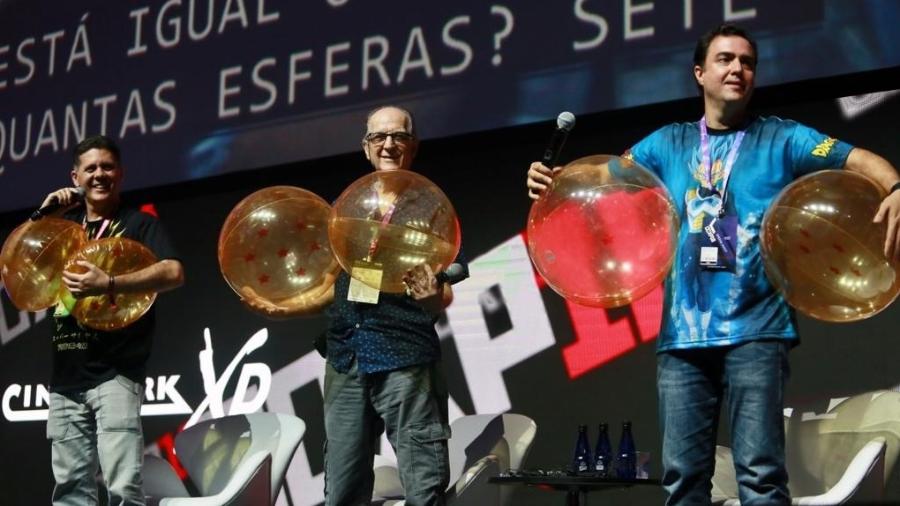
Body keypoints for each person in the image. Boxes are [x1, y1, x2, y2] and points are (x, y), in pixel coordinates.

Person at [527, 24, 900, 505]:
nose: (737, 69)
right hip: (683, 339)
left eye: (747, 62)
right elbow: (604, 175)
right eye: (725, 60)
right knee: (683, 480)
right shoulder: (666, 143)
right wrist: (554, 179)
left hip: (757, 334)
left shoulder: (783, 137)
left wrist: (894, 187)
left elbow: (858, 158)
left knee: (762, 478)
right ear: (700, 73)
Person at [245, 105, 466, 506]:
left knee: (423, 487)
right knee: (342, 489)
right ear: (366, 148)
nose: (388, 145)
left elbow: (443, 292)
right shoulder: (348, 211)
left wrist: (432, 295)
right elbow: (340, 289)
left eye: (398, 136)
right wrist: (283, 308)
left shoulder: (430, 209)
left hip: (404, 357)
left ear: (413, 146)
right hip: (346, 359)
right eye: (378, 137)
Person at [42, 135, 184, 506]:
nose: (99, 174)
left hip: (116, 373)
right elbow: (20, 274)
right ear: (75, 176)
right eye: (91, 168)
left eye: (107, 166)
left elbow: (173, 272)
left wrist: (110, 283)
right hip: (66, 377)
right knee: (71, 492)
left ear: (120, 173)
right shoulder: (62, 229)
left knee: (122, 490)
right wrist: (43, 217)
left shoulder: (138, 223)